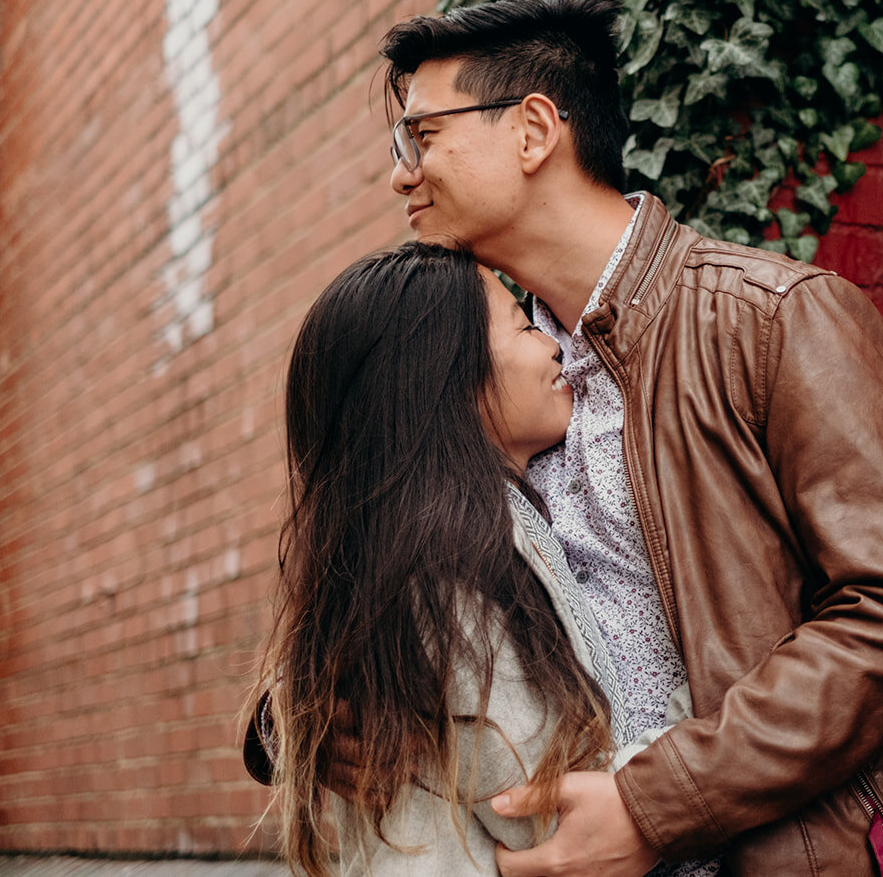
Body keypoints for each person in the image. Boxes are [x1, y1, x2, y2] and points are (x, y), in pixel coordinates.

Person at [371, 0, 883, 877]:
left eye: (424, 137)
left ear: (534, 131)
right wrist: (315, 715)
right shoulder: (496, 379)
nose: (400, 174)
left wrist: (657, 806)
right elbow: (379, 550)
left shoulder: (777, 322)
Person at [256, 241, 642, 876]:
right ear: (449, 381)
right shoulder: (456, 569)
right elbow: (545, 811)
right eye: (522, 326)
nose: (555, 345)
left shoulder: (414, 550)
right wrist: (699, 721)